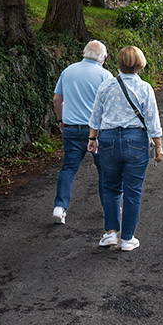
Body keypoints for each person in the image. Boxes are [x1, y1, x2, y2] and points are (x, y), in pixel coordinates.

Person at [87, 45, 163, 251]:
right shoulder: (145, 88)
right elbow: (152, 121)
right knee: (133, 191)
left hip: (109, 139)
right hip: (136, 140)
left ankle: (111, 233)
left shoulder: (106, 86)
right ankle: (128, 239)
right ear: (140, 64)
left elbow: (95, 115)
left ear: (119, 63)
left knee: (110, 187)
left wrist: (93, 138)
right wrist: (158, 146)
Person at [51, 40, 113, 225]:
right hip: (96, 131)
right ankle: (110, 208)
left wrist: (61, 120)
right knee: (104, 171)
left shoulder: (68, 71)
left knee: (69, 168)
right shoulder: (105, 75)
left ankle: (60, 207)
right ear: (103, 57)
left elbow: (57, 100)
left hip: (71, 128)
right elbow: (109, 105)